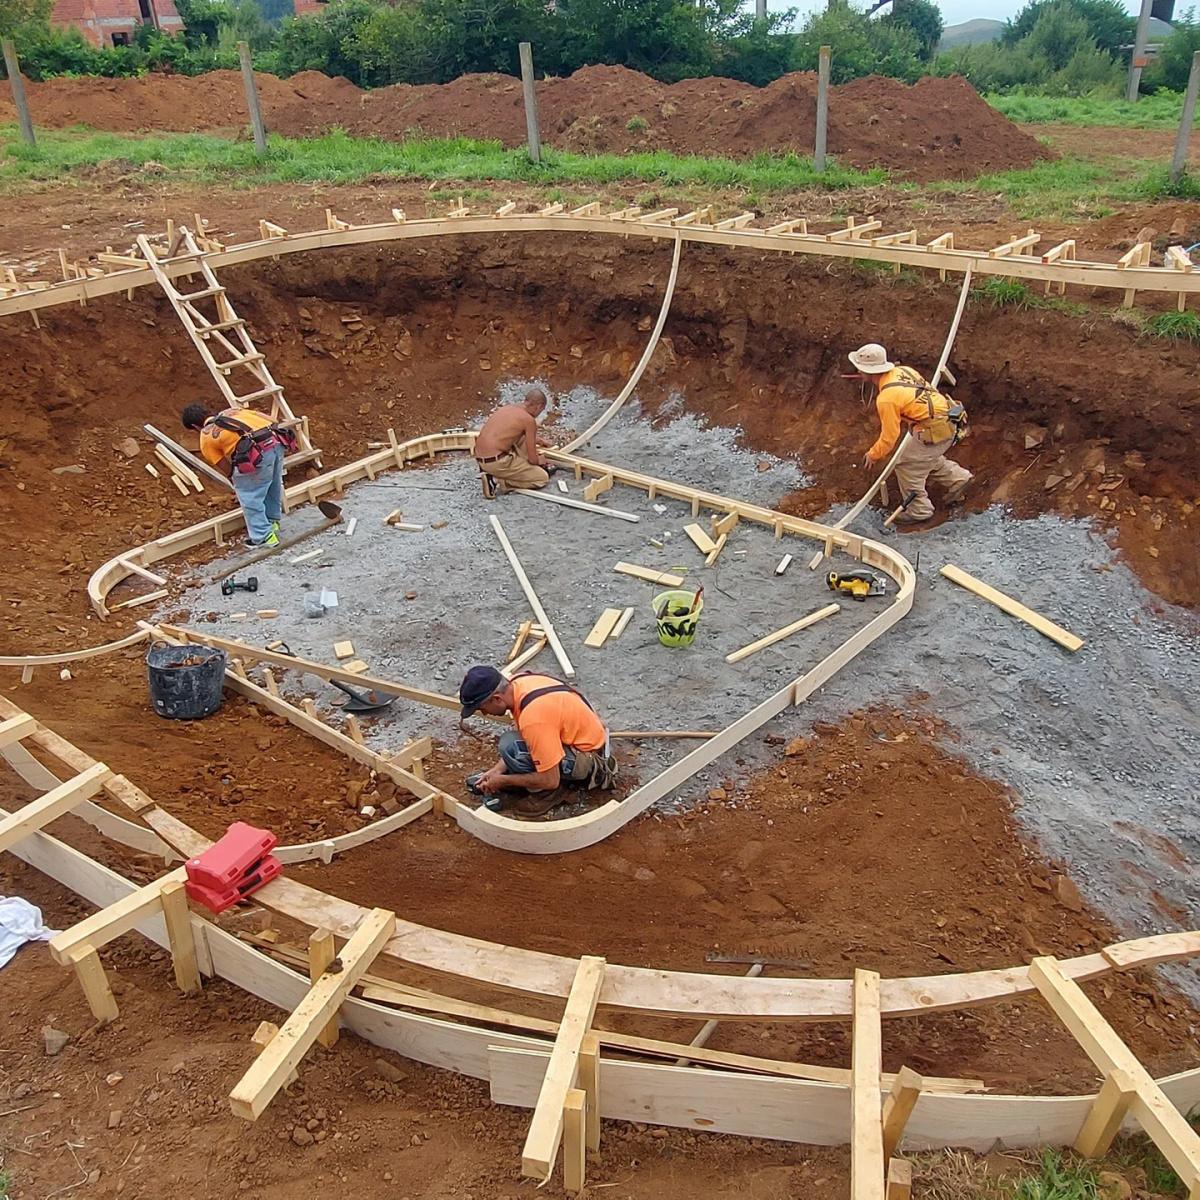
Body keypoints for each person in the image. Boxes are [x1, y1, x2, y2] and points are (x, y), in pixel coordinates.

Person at [458, 666, 618, 818]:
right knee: (511, 745)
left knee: (511, 745)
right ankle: (534, 776)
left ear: (497, 699)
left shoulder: (534, 718)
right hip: (579, 740)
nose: (484, 713)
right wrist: (496, 771)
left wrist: (504, 781)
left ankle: (552, 793)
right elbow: (526, 734)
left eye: (482, 708)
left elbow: (550, 779)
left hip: (591, 760)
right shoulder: (518, 683)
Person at [847, 343, 972, 524]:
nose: (857, 371)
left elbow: (889, 437)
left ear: (868, 371)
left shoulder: (887, 399)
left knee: (907, 464)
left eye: (859, 368)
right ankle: (958, 479)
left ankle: (919, 510)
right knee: (922, 457)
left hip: (935, 431)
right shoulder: (904, 371)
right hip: (950, 418)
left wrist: (873, 454)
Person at [181, 404, 290, 547]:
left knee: (249, 494)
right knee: (272, 484)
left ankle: (263, 536)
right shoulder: (234, 412)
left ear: (195, 426)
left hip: (257, 455)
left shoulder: (206, 437)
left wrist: (237, 481)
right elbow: (272, 420)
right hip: (277, 443)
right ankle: (272, 521)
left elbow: (225, 467)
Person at [474, 388, 555, 496]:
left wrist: (539, 440)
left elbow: (510, 434)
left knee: (521, 439)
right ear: (539, 406)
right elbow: (533, 460)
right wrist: (540, 461)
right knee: (541, 478)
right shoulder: (529, 420)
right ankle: (495, 480)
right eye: (541, 410)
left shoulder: (509, 408)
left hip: (481, 458)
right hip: (496, 463)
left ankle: (498, 471)